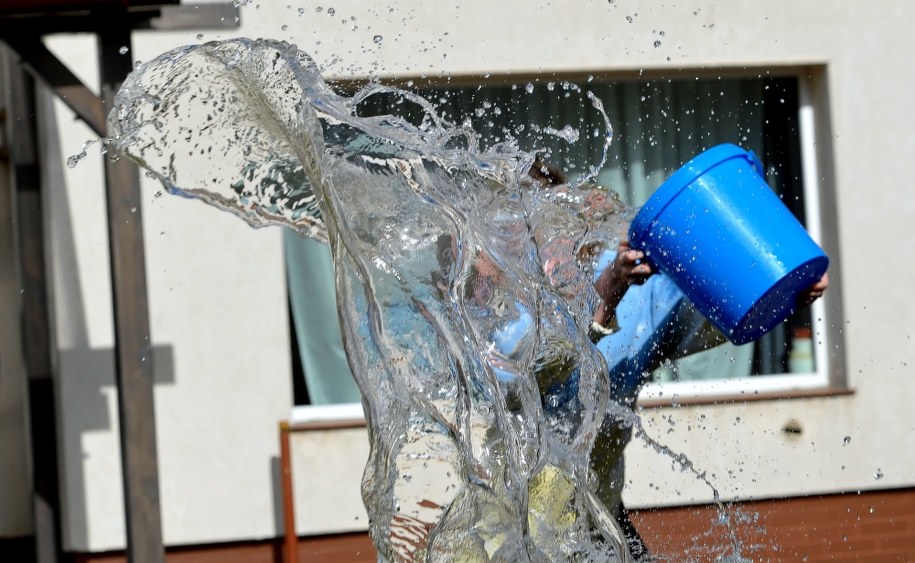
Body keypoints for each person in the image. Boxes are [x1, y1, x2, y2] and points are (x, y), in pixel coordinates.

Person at [589, 238, 829, 557]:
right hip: (516, 517)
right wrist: (604, 305)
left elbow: (715, 313)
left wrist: (783, 292)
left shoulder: (634, 295)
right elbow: (544, 379)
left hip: (600, 514)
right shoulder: (510, 301)